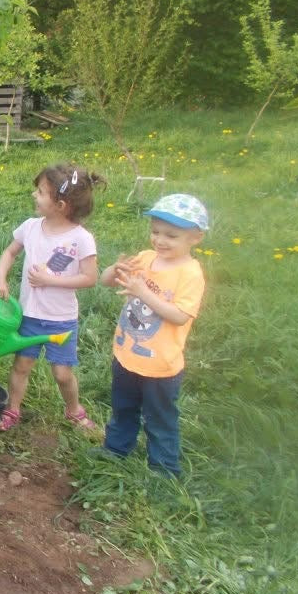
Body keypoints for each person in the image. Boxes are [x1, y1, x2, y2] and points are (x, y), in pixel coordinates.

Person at [98, 194, 208, 478]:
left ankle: (165, 469)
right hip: (126, 355)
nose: (160, 240)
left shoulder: (190, 274)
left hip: (160, 366)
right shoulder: (146, 259)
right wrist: (115, 270)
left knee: (160, 419)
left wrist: (143, 293)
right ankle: (115, 450)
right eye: (156, 232)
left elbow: (180, 315)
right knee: (123, 408)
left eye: (171, 235)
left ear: (195, 238)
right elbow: (107, 280)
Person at [0, 165, 104, 432]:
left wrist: (51, 280)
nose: (34, 195)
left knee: (62, 373)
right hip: (29, 314)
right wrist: (0, 277)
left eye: (41, 192)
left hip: (61, 320)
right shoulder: (30, 228)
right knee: (21, 365)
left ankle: (74, 411)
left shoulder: (81, 239)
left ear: (61, 205)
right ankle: (12, 410)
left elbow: (90, 278)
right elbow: (10, 252)